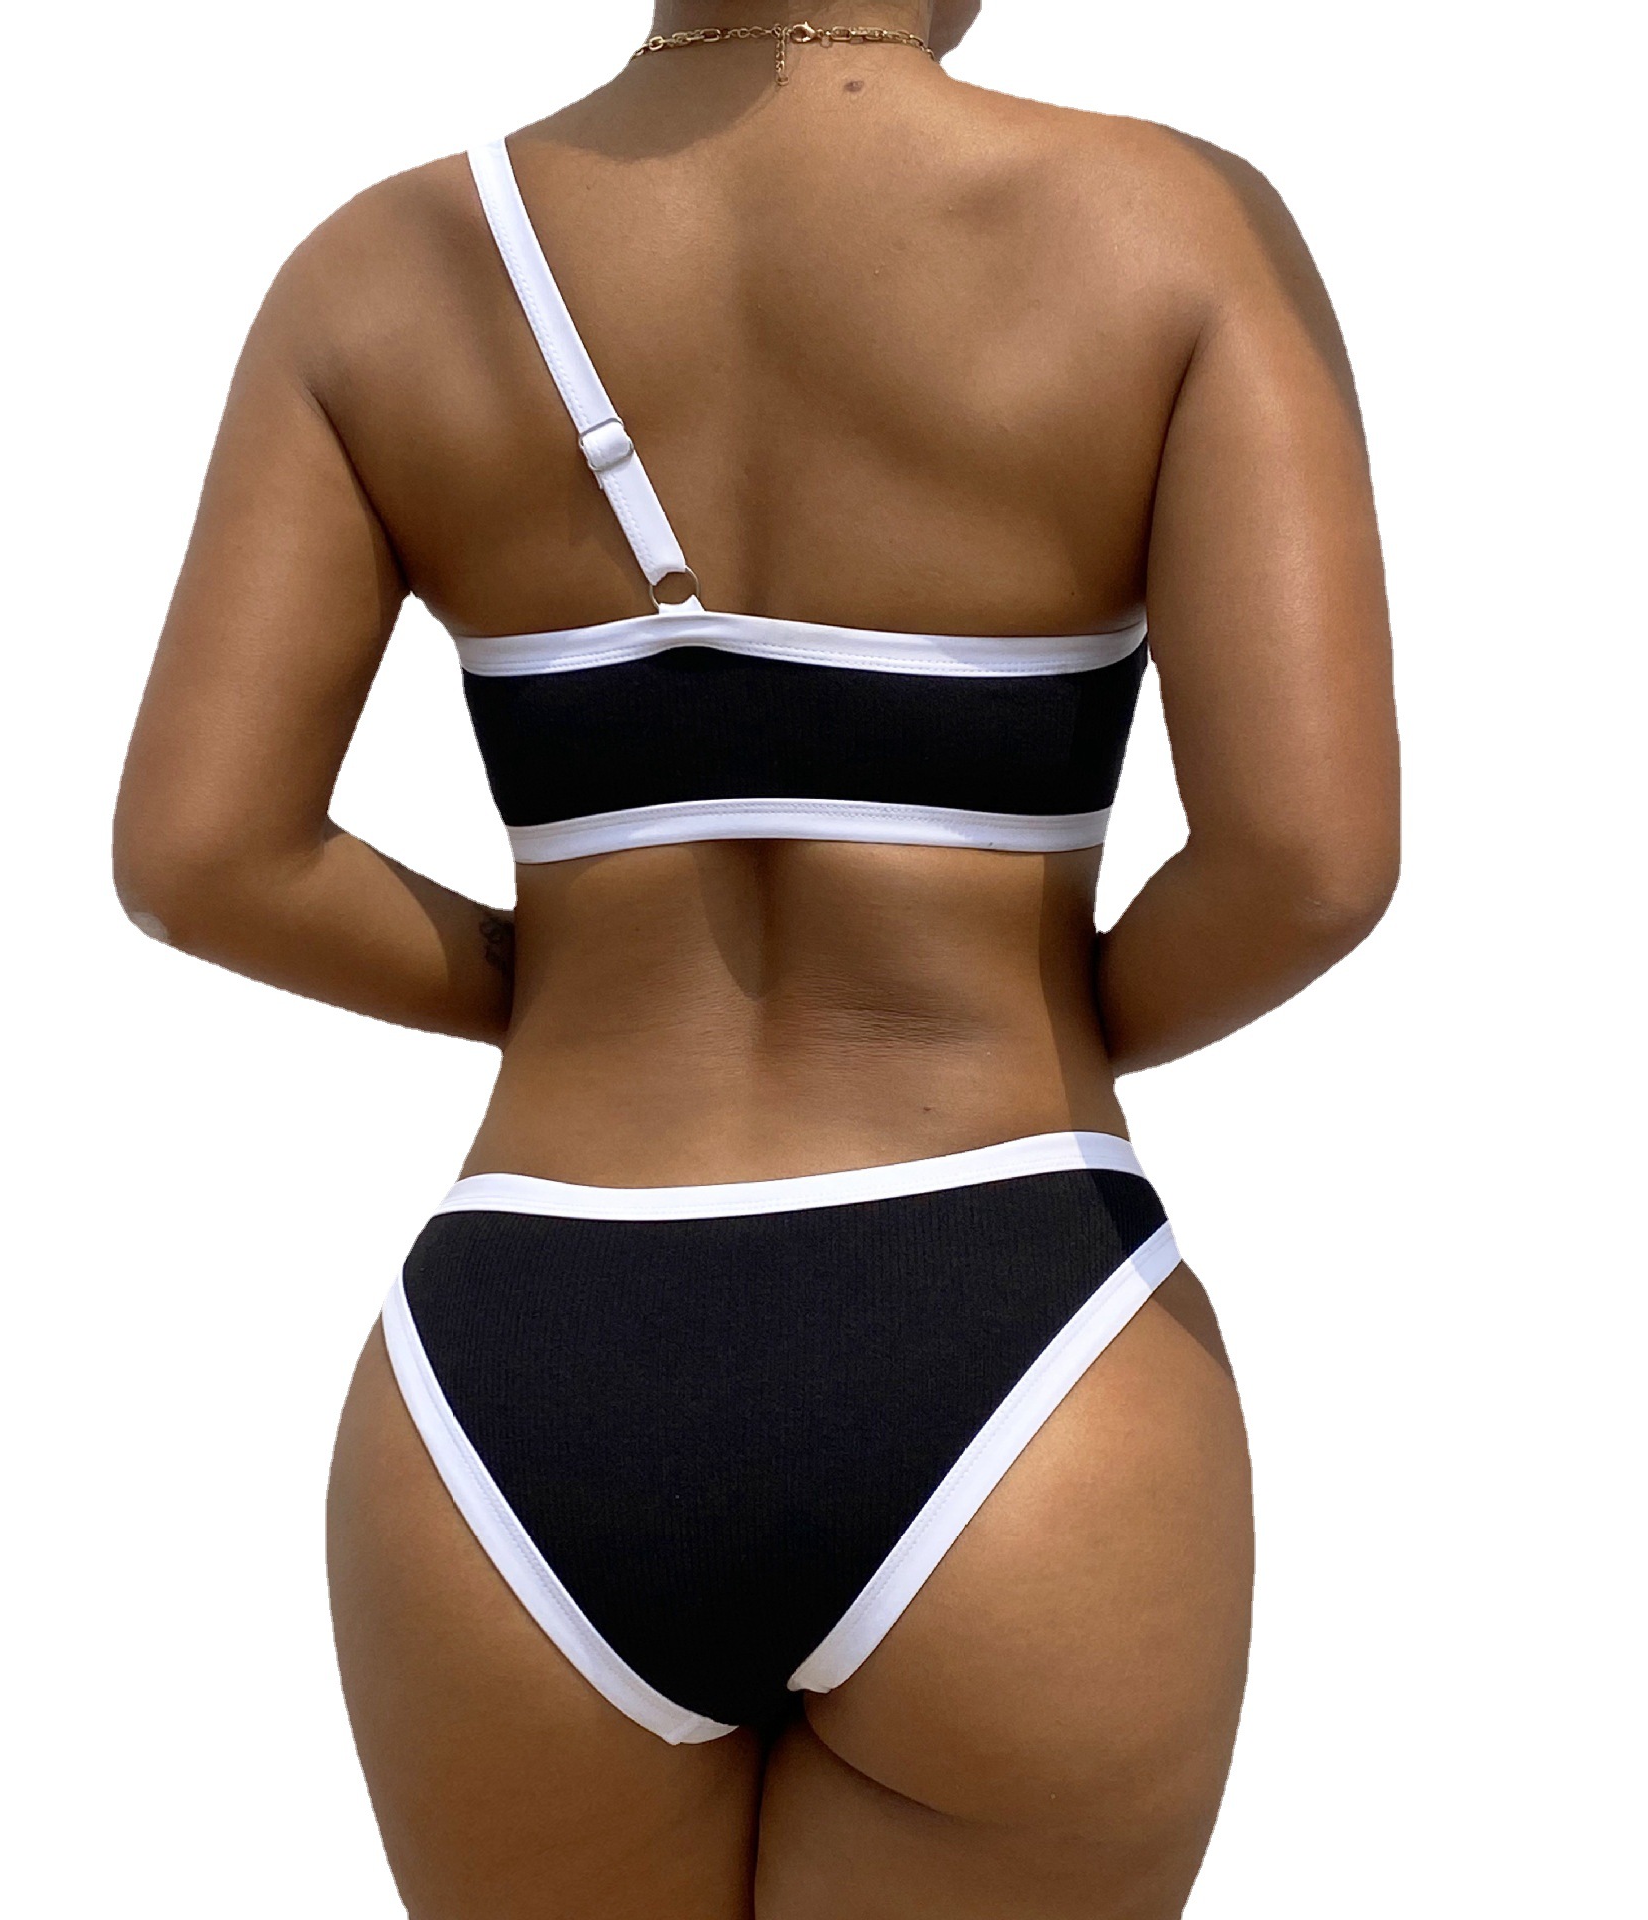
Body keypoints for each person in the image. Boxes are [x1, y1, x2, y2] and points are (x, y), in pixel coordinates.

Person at [112, 3, 1399, 1912]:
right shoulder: (1164, 223)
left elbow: (204, 858)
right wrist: (1050, 1018)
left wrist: (553, 987)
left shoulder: (385, 267)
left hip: (522, 1362)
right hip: (1017, 1324)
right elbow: (1307, 866)